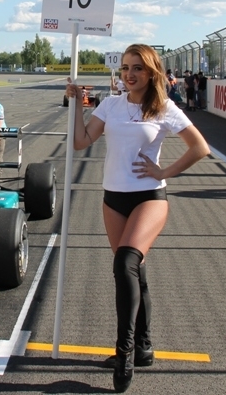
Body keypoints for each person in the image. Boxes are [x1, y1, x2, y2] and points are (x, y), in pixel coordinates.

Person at [65, 44, 209, 393]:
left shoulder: (164, 108)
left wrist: (164, 171)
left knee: (125, 263)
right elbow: (81, 142)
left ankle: (124, 351)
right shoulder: (111, 105)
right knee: (134, 272)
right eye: (126, 68)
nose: (130, 74)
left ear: (151, 72)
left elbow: (200, 147)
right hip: (113, 199)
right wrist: (77, 104)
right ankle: (143, 347)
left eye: (138, 68)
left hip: (149, 197)